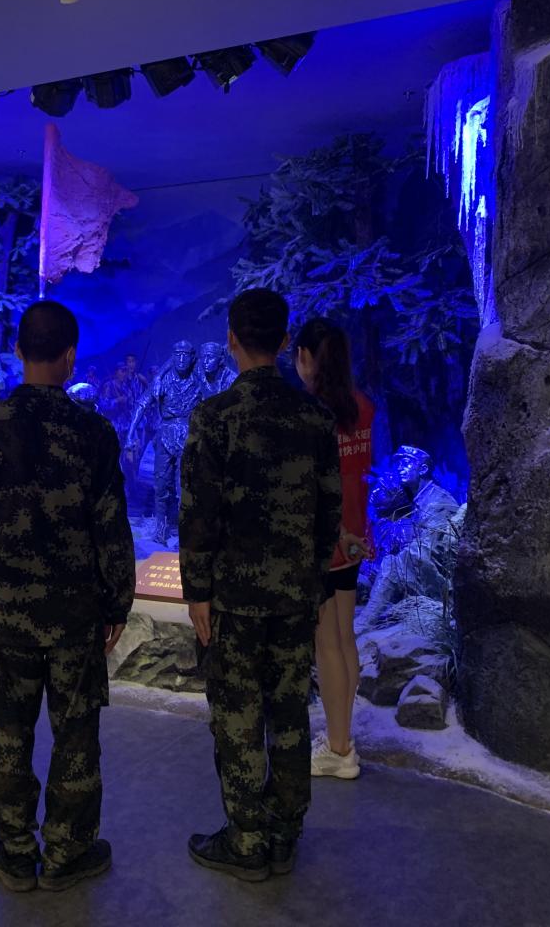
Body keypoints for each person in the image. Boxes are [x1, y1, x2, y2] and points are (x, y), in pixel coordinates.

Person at [0, 300, 134, 894]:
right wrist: (117, 603)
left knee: (8, 733)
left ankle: (13, 849)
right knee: (76, 734)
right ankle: (68, 852)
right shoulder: (93, 433)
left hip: (6, 613)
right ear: (70, 356)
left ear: (18, 351)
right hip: (76, 615)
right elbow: (111, 527)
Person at [180, 289, 343, 882]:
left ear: (230, 339)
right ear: (284, 341)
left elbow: (197, 514)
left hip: (233, 599)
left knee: (236, 714)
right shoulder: (314, 419)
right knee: (290, 712)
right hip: (295, 595)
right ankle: (283, 832)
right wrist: (313, 577)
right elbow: (330, 511)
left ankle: (245, 838)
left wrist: (197, 591)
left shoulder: (214, 417)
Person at [293, 318, 376, 780]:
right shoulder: (361, 407)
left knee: (327, 642)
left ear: (305, 357)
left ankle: (339, 748)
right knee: (345, 637)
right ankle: (342, 737)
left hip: (326, 538)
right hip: (355, 534)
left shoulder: (311, 414)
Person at [127, 341, 203, 544]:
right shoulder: (163, 381)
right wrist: (130, 434)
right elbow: (142, 404)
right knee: (161, 485)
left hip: (190, 437)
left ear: (192, 358)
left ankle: (184, 530)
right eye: (177, 354)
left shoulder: (198, 378)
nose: (181, 359)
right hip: (166, 436)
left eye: (185, 355)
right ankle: (161, 528)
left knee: (184, 486)